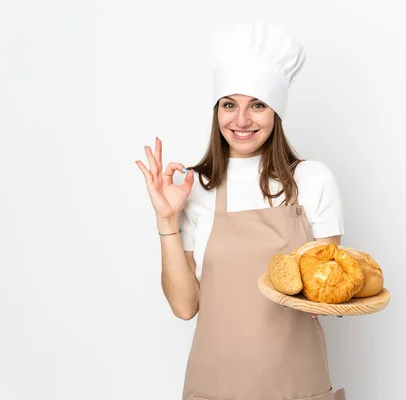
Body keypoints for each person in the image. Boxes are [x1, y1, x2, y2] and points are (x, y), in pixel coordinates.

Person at [136, 23, 347, 400]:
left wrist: (328, 302)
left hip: (296, 385)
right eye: (229, 104)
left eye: (258, 105)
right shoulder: (194, 188)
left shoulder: (313, 180)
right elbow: (185, 307)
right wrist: (167, 219)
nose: (242, 120)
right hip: (215, 385)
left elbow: (323, 297)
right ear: (217, 110)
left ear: (276, 112)